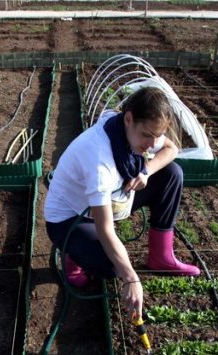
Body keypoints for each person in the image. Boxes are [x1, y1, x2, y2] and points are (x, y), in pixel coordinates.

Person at [43, 86, 200, 318]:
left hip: (114, 199)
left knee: (171, 174)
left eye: (157, 135)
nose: (152, 143)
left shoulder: (133, 131)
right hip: (70, 218)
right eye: (148, 135)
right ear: (128, 119)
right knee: (110, 266)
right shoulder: (99, 158)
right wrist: (131, 277)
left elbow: (171, 149)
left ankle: (161, 257)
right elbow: (105, 229)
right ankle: (72, 255)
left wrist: (146, 170)